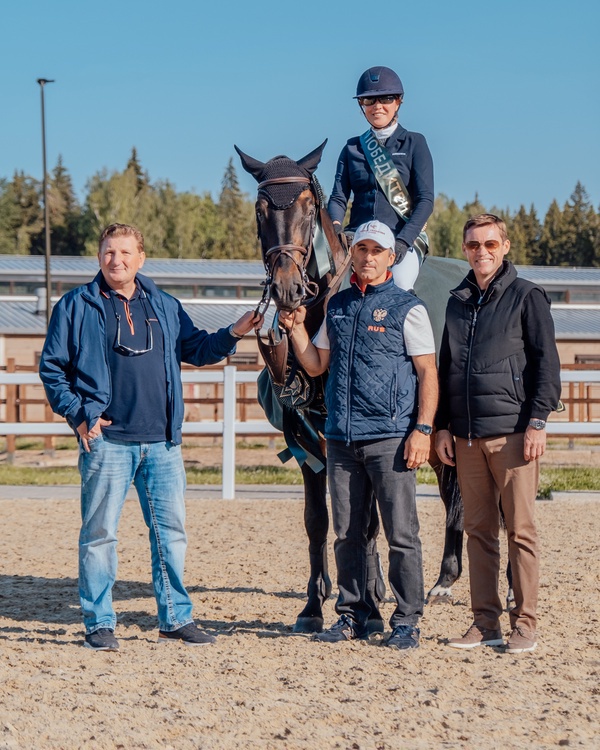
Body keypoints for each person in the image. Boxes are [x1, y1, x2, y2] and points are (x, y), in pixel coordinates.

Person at [39, 223, 262, 651]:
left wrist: (234, 332)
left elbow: (196, 348)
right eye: (108, 252)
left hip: (162, 443)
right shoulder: (75, 306)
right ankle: (100, 623)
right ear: (98, 257)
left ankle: (175, 618)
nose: (116, 260)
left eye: (125, 252)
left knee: (170, 533)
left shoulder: (164, 304)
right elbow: (53, 369)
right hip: (107, 443)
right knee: (100, 534)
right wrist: (78, 415)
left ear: (141, 258)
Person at [280, 220, 438, 650]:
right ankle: (353, 614)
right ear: (353, 254)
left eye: (376, 250)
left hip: (390, 438)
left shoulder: (410, 308)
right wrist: (295, 330)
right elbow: (315, 365)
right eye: (361, 249)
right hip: (343, 439)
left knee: (401, 533)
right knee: (348, 533)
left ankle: (406, 620)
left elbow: (427, 373)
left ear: (391, 257)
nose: (368, 257)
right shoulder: (339, 307)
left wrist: (422, 429)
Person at [435, 214, 561, 654]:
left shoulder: (528, 297)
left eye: (490, 244)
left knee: (521, 531)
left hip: (512, 434)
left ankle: (524, 623)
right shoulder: (456, 302)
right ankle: (484, 623)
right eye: (473, 245)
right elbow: (447, 369)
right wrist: (443, 426)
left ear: (505, 246)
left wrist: (537, 422)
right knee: (478, 531)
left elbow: (547, 363)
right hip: (466, 437)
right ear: (465, 249)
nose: (481, 252)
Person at [328, 65, 434, 291]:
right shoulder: (352, 148)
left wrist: (404, 241)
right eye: (369, 101)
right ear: (361, 106)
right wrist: (336, 228)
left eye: (385, 99)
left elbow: (425, 200)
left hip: (400, 236)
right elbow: (338, 198)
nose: (377, 106)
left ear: (398, 102)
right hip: (357, 237)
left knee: (401, 285)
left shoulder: (415, 143)